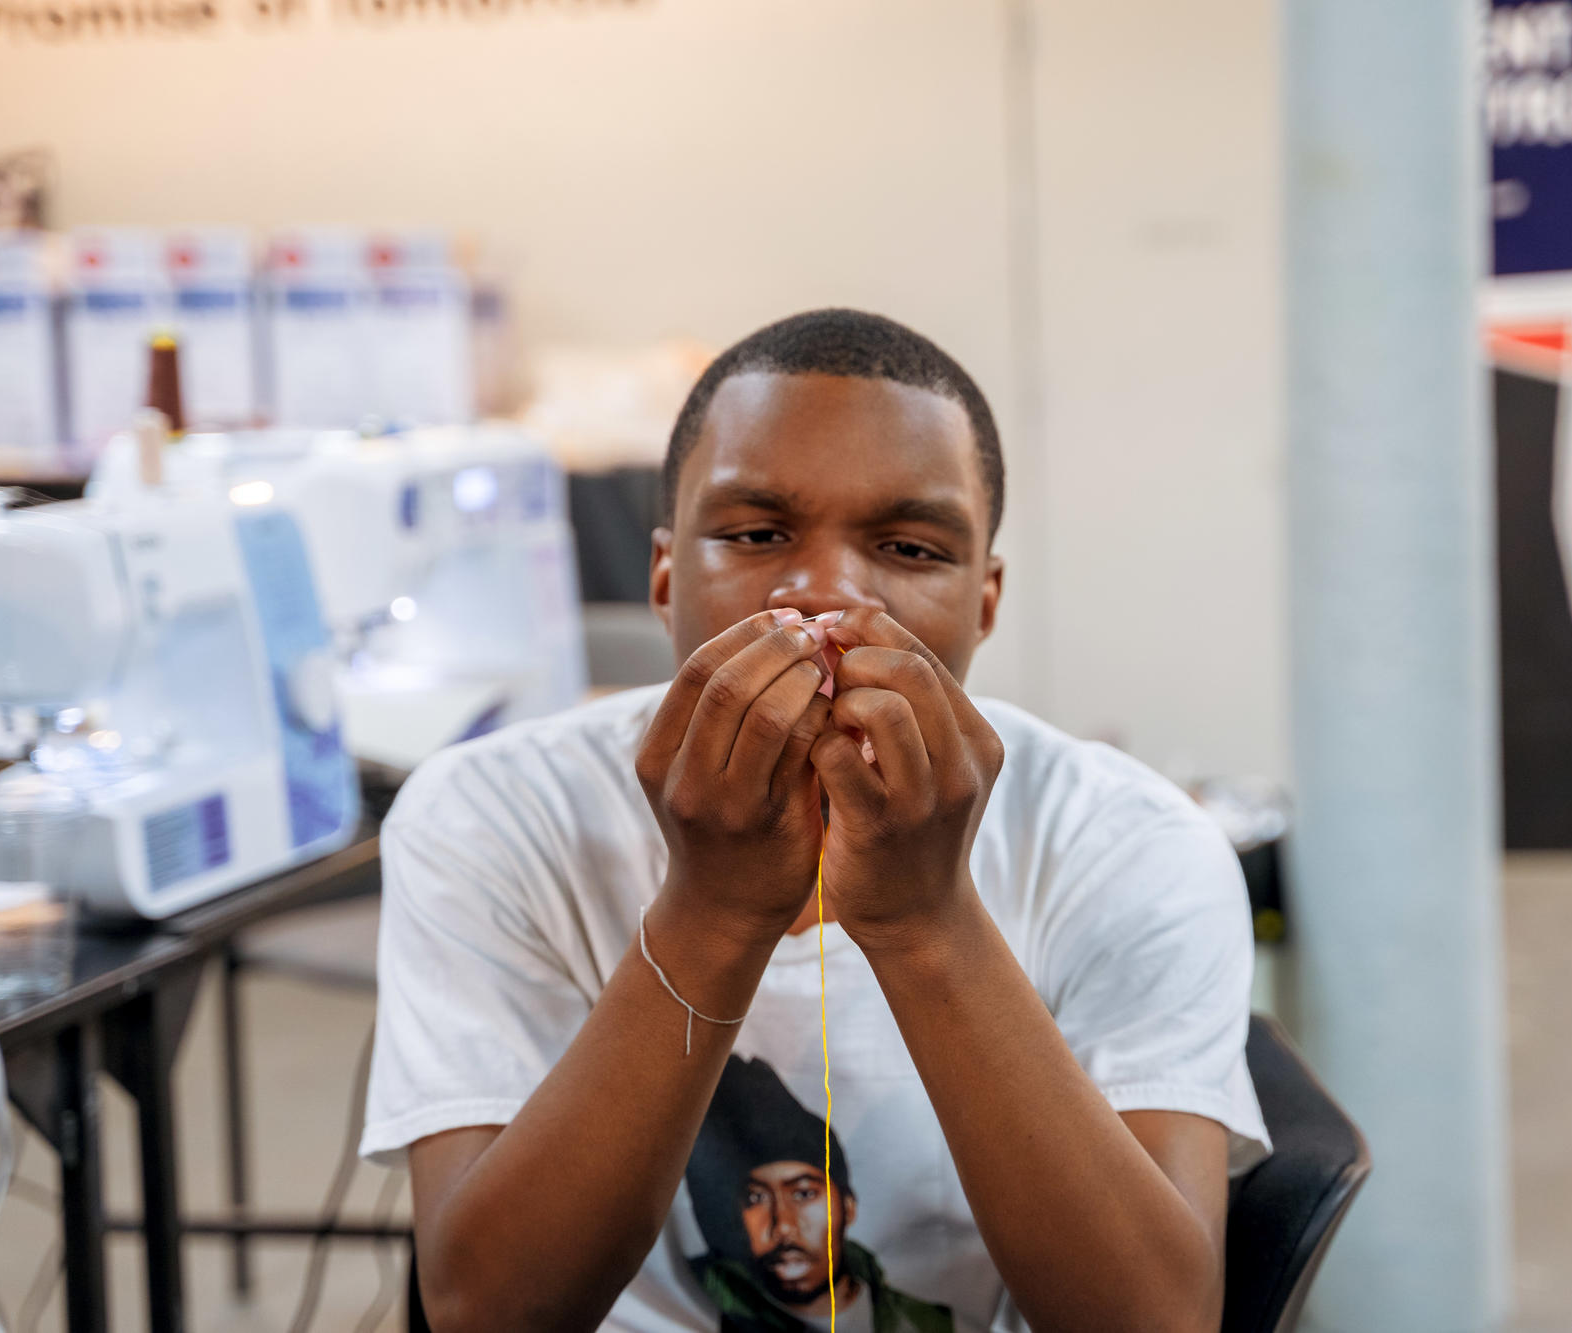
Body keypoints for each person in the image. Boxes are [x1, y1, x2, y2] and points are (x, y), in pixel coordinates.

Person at [363, 308, 1270, 1333]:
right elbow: (486, 1309)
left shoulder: (1128, 845)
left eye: (908, 548)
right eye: (754, 535)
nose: (825, 597)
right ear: (664, 579)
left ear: (984, 598)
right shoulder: (494, 816)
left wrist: (926, 922)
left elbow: (1153, 1321)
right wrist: (715, 911)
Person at [685, 1056, 952, 1332]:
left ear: (848, 1207)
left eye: (803, 1194)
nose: (783, 1226)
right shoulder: (689, 1296)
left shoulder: (929, 1323)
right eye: (757, 1198)